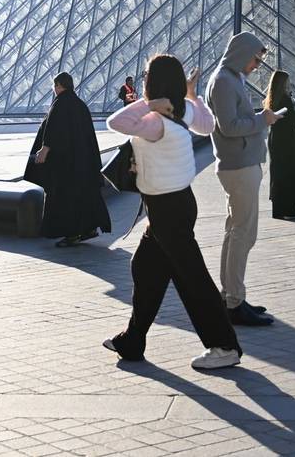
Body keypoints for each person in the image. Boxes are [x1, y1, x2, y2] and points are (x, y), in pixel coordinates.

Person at [103, 55, 242, 369]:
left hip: (167, 208)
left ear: (153, 83)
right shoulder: (184, 110)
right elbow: (207, 127)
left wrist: (149, 104)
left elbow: (116, 122)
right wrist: (191, 95)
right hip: (178, 203)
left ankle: (224, 346)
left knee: (192, 279)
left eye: (146, 77)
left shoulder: (155, 122)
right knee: (145, 268)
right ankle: (133, 340)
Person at [206, 32, 283, 327]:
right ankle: (234, 302)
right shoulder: (224, 81)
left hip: (241, 163)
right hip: (239, 166)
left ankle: (231, 296)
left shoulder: (230, 77)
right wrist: (262, 120)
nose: (257, 64)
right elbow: (229, 127)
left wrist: (258, 119)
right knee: (243, 234)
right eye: (255, 58)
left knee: (235, 231)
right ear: (241, 53)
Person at [30, 73, 111, 247]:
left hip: (65, 165)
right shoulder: (80, 105)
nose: (53, 89)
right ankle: (89, 229)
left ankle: (72, 234)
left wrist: (43, 151)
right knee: (84, 196)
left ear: (59, 85)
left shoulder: (59, 104)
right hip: (83, 163)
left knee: (65, 199)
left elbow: (52, 132)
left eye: (54, 85)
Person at [265, 71, 295, 219]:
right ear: (283, 83)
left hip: (276, 139)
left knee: (278, 174)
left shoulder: (272, 98)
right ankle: (291, 210)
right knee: (291, 174)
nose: (289, 84)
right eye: (287, 81)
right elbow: (289, 122)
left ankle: (279, 209)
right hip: (287, 141)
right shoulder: (285, 99)